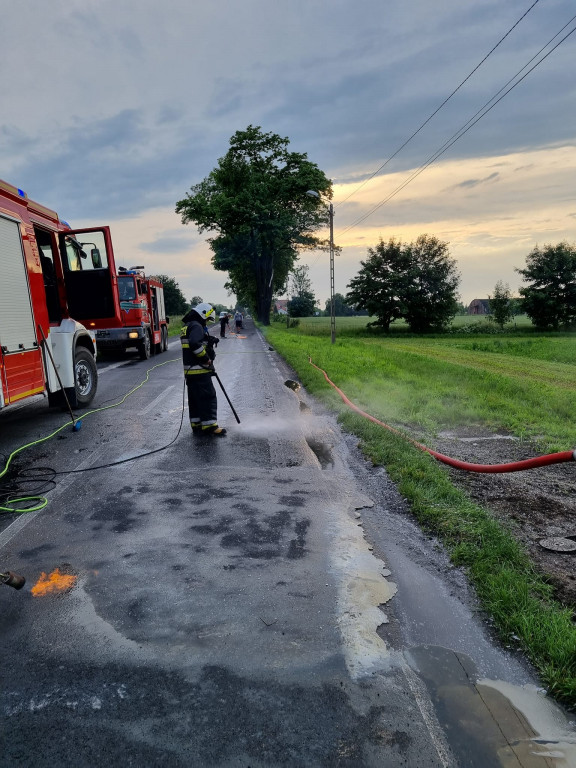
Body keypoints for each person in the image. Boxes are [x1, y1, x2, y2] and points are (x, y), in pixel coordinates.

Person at [180, 302, 226, 436]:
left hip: (190, 372)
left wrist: (208, 340)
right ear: (203, 314)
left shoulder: (188, 325)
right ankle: (210, 426)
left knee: (195, 399)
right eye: (207, 319)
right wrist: (206, 359)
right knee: (208, 397)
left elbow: (194, 341)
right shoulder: (197, 326)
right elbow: (195, 344)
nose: (206, 322)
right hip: (199, 370)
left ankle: (197, 424)